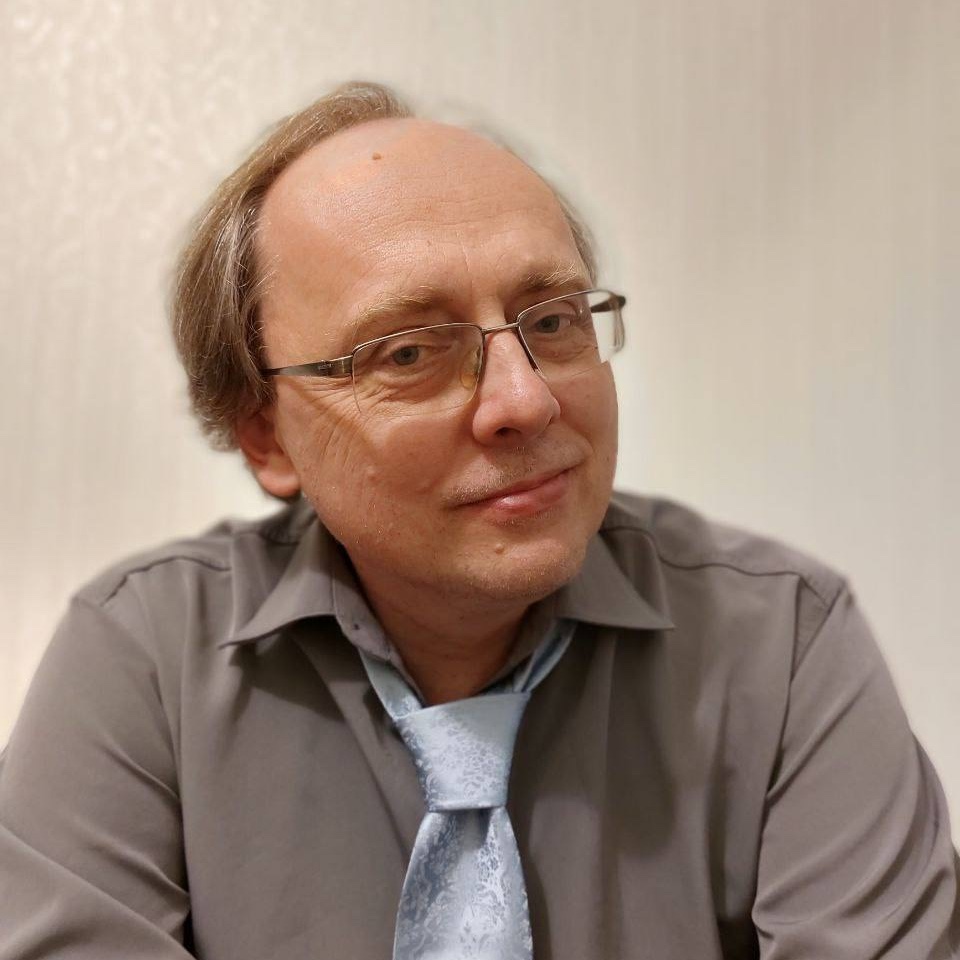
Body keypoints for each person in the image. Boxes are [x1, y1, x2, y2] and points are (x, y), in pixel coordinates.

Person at [1, 81, 957, 960]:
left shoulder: (780, 645)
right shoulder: (146, 658)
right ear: (267, 435)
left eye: (553, 321)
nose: (525, 401)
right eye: (409, 351)